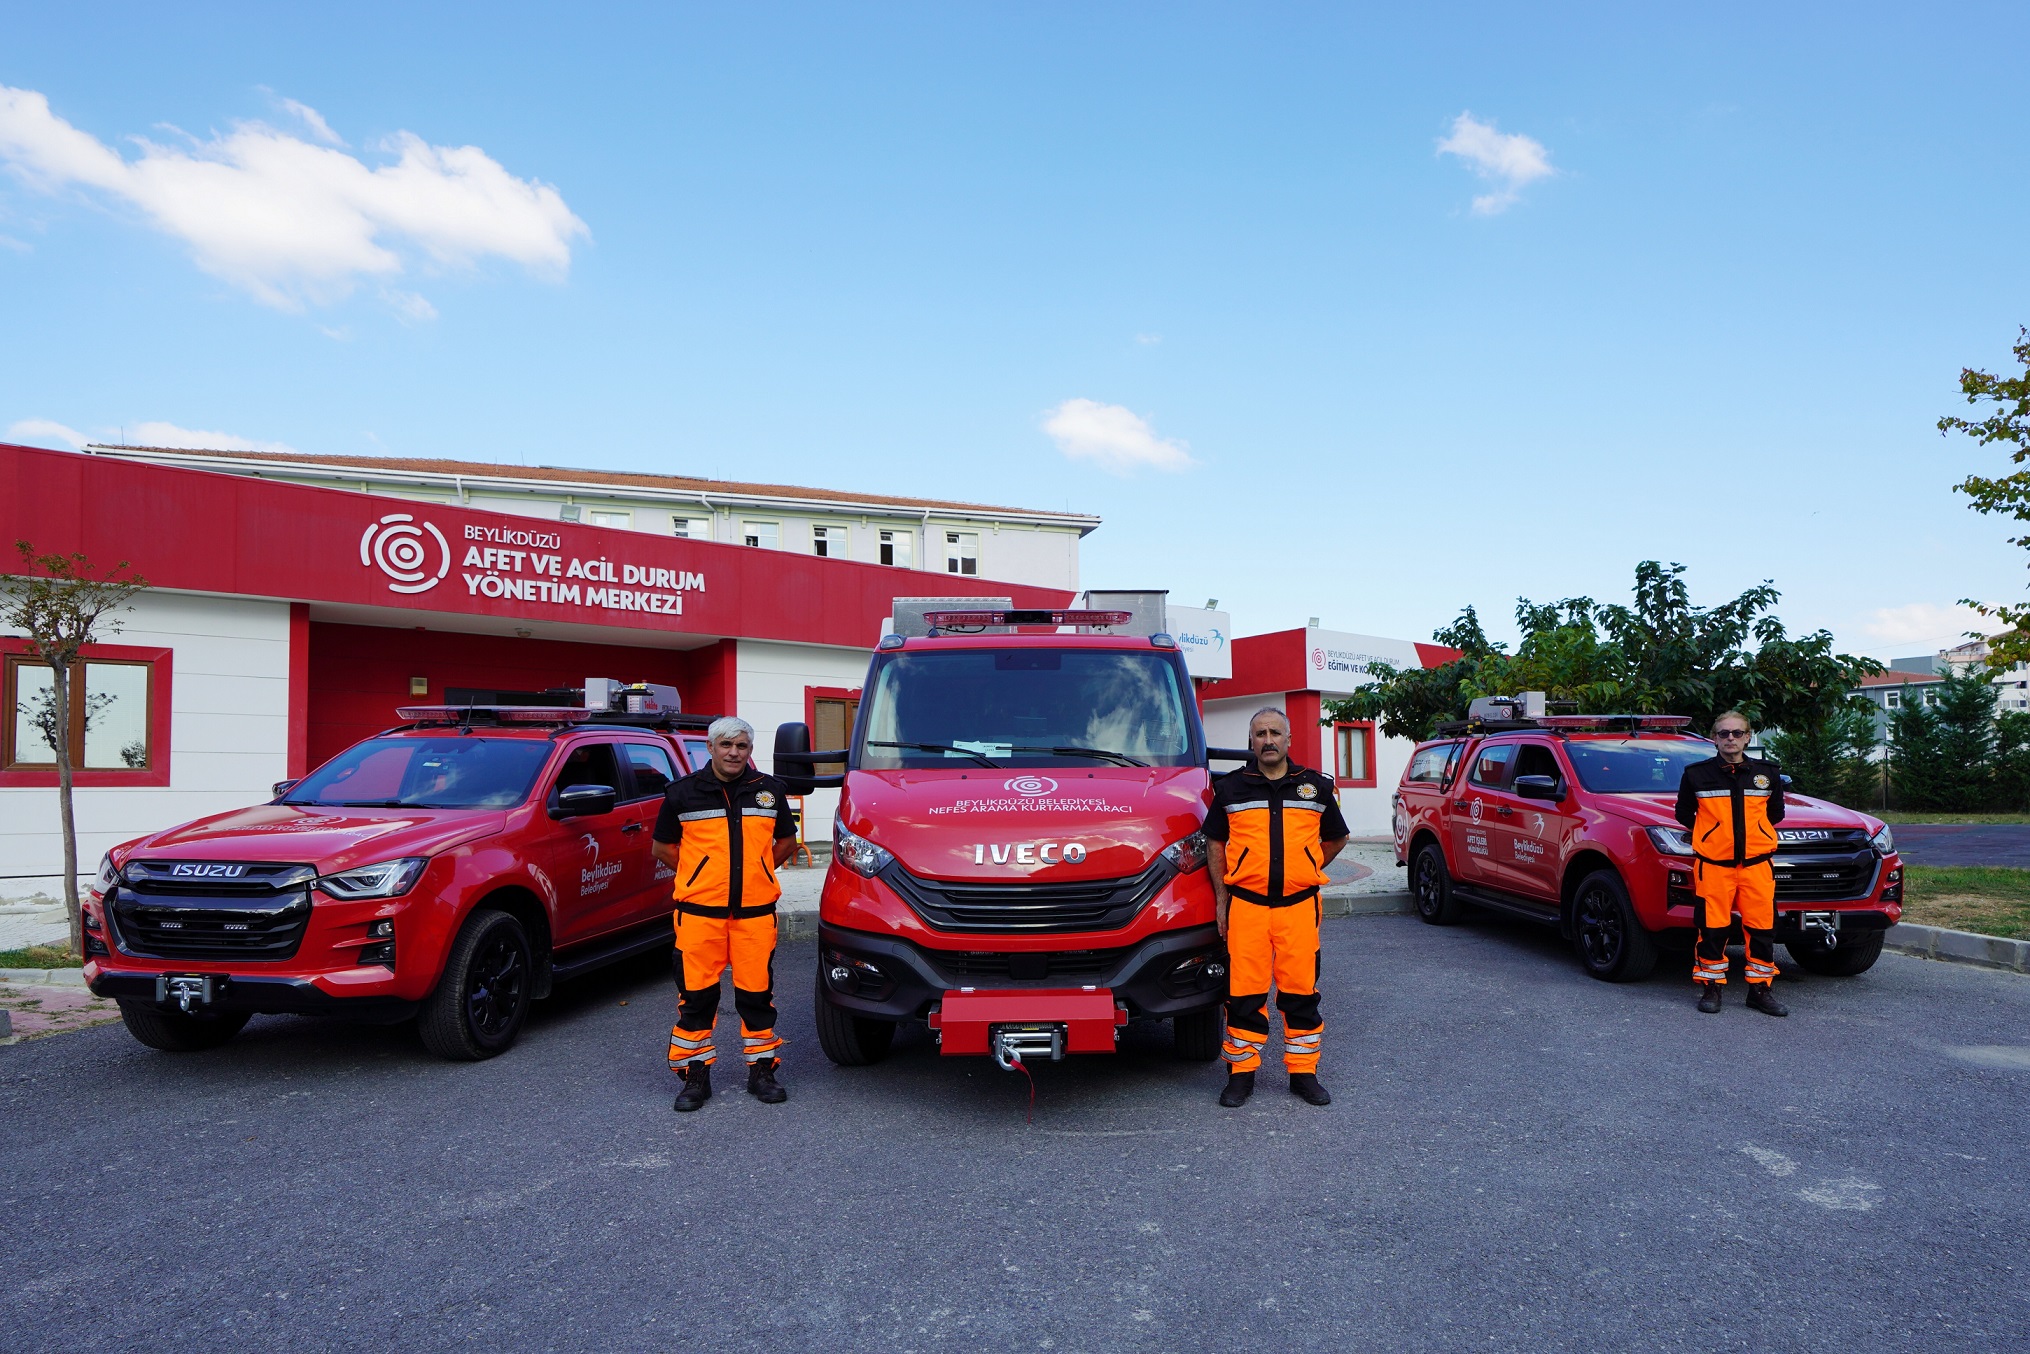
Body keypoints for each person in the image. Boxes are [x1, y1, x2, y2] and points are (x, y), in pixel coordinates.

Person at [1203, 708, 1350, 1108]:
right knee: (1244, 996)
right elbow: (1214, 843)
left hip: (1299, 909)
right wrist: (1221, 898)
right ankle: (1241, 1074)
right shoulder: (1230, 789)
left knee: (1301, 994)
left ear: (1289, 740)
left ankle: (1303, 1074)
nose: (1268, 740)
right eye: (1259, 733)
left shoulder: (1315, 787)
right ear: (1250, 742)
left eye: (1275, 733)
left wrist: (1307, 863)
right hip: (1246, 908)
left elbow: (1337, 837)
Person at [653, 716, 801, 1110]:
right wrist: (702, 875)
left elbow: (786, 841)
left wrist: (758, 871)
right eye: (726, 745)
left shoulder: (769, 790)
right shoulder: (682, 793)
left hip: (754, 914)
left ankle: (762, 1070)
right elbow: (664, 849)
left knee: (757, 997)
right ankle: (694, 1075)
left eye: (742, 746)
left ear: (750, 751)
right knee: (697, 998)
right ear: (710, 748)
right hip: (700, 915)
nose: (734, 752)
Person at [1675, 710, 1788, 1017]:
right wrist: (1712, 834)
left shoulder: (1768, 773)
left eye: (1737, 733)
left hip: (1757, 865)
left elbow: (1775, 814)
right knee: (1712, 929)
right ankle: (1711, 988)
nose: (1730, 739)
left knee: (1763, 929)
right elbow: (1684, 814)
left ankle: (1760, 990)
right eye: (1723, 733)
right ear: (1714, 738)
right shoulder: (1696, 774)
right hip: (1713, 865)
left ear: (1748, 737)